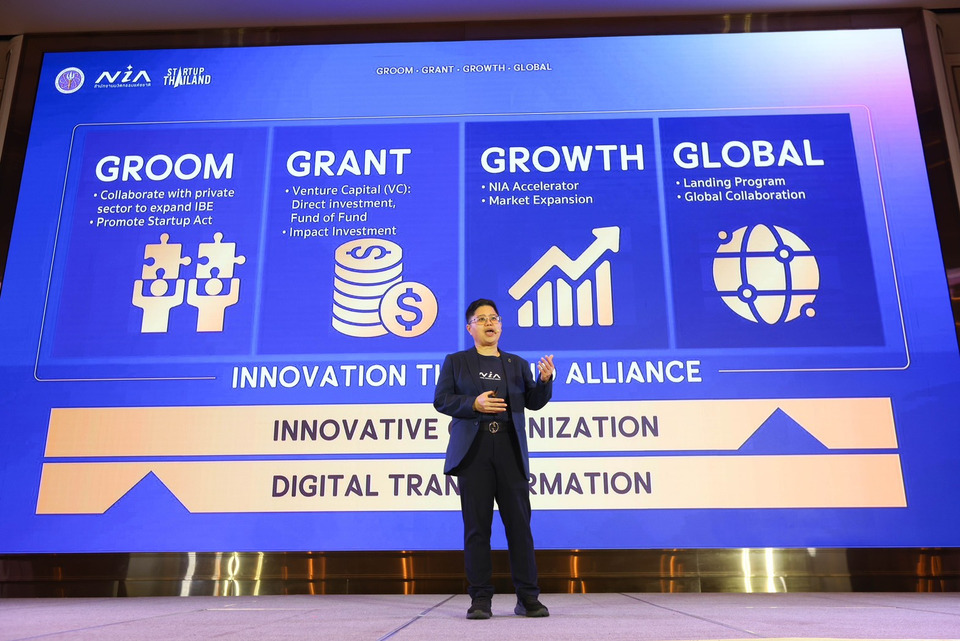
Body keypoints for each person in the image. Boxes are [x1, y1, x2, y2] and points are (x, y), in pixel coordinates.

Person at [434, 298, 555, 620]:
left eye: (494, 318)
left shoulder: (517, 364)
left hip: (509, 448)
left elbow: (533, 402)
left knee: (520, 527)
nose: (490, 323)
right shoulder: (457, 362)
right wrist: (473, 404)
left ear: (500, 325)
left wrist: (544, 381)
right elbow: (441, 400)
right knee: (477, 528)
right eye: (482, 319)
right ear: (469, 327)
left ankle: (528, 597)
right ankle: (480, 599)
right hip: (474, 451)